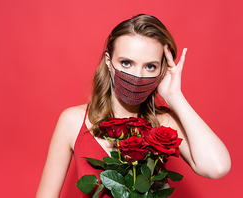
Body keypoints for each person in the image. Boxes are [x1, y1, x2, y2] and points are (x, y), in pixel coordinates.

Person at [36, 14, 231, 198]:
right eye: (127, 63)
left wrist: (174, 96)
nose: (138, 76)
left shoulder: (165, 123)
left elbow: (217, 167)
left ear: (161, 70)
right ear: (108, 61)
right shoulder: (73, 120)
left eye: (150, 66)